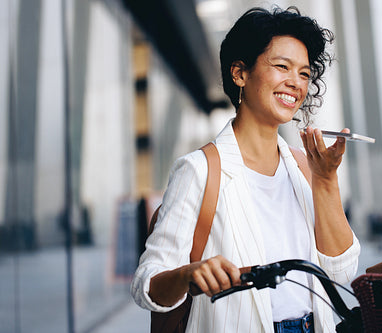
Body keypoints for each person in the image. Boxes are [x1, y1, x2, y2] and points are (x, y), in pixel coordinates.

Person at [131, 6, 360, 333]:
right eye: (282, 66)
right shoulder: (199, 171)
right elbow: (145, 283)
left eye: (305, 73)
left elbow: (341, 272)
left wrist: (325, 180)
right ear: (240, 73)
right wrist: (188, 274)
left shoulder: (304, 167)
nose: (295, 83)